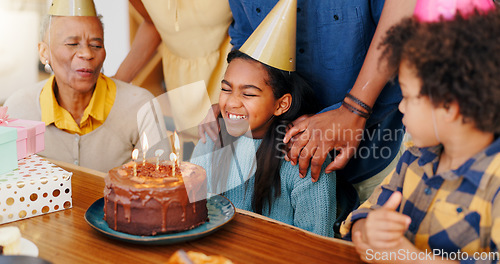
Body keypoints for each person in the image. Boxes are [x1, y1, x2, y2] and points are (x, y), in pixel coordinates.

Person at [200, 1, 418, 227]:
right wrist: (238, 100)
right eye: (226, 88)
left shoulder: (303, 170)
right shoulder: (215, 142)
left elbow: (407, 33)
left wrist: (355, 109)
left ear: (283, 104)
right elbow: (245, 33)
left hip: (368, 159)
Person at [341, 0, 500, 262]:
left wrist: (408, 256)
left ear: (449, 106)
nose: (401, 106)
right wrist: (367, 230)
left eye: (408, 96)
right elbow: (362, 219)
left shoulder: (493, 183)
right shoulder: (413, 158)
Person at [191, 0, 336, 237]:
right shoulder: (212, 137)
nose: (232, 102)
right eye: (226, 89)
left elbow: (316, 243)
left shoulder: (302, 155)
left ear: (281, 104)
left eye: (248, 93)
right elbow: (192, 213)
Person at [3, 0, 161, 172]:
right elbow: (9, 184)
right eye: (72, 44)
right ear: (44, 52)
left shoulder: (140, 107)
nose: (87, 53)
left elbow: (160, 184)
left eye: (96, 45)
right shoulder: (19, 109)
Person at [114, 0, 233, 138]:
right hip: (181, 89)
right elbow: (152, 22)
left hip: (230, 77)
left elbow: (253, 29)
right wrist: (117, 83)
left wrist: (234, 95)